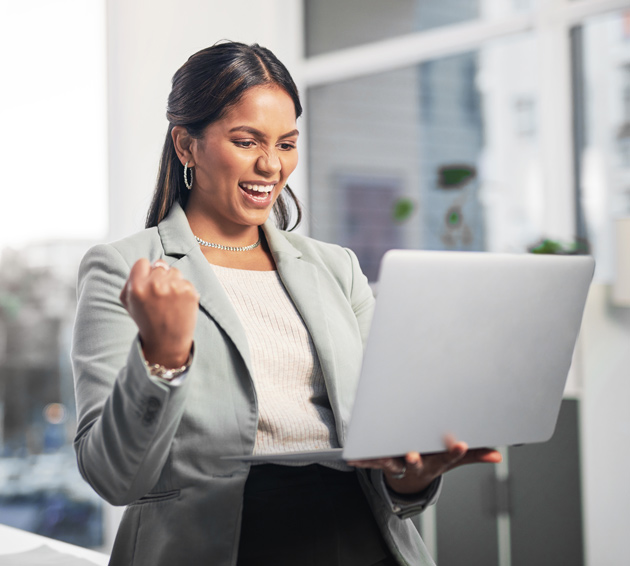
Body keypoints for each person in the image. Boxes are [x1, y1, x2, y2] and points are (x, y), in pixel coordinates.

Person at [71, 41, 501, 566]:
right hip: (221, 545)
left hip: (360, 537)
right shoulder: (125, 269)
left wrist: (409, 477)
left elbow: (381, 436)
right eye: (246, 140)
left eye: (287, 143)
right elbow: (113, 476)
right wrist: (162, 359)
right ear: (186, 146)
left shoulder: (336, 268)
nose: (271, 165)